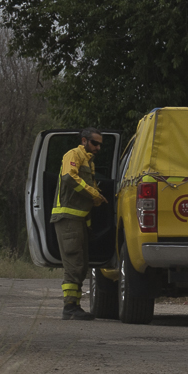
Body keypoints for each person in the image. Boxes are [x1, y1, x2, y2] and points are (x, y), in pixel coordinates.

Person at [52, 128, 108, 321]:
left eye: (100, 144)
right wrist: (93, 194)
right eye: (95, 143)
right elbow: (69, 177)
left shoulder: (88, 162)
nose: (98, 147)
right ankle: (69, 306)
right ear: (84, 141)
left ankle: (74, 306)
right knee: (74, 264)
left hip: (79, 220)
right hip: (68, 219)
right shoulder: (73, 154)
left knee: (81, 265)